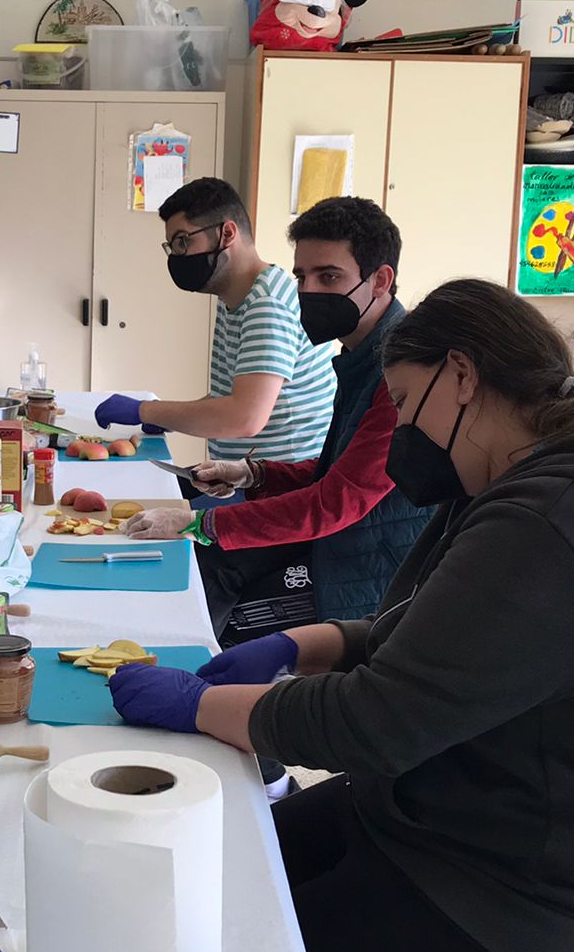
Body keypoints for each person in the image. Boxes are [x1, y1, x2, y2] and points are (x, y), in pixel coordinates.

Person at [108, 279, 574, 952]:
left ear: (462, 376)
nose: (403, 429)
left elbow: (372, 725)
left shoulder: (554, 522)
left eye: (407, 403)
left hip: (529, 906)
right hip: (448, 819)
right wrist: (306, 644)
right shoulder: (529, 479)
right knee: (208, 879)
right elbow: (437, 639)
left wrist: (198, 706)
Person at [122, 197, 434, 637]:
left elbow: (335, 501)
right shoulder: (361, 355)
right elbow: (336, 470)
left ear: (380, 280)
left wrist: (200, 523)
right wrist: (254, 474)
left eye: (329, 277)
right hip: (343, 544)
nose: (309, 291)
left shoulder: (401, 370)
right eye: (301, 277)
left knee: (211, 585)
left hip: (368, 571)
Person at [93, 177, 335, 467]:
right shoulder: (236, 298)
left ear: (227, 233)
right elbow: (229, 397)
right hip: (244, 474)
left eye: (183, 241)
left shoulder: (267, 304)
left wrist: (145, 411)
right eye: (172, 246)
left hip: (281, 484)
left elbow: (245, 417)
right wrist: (163, 415)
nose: (177, 256)